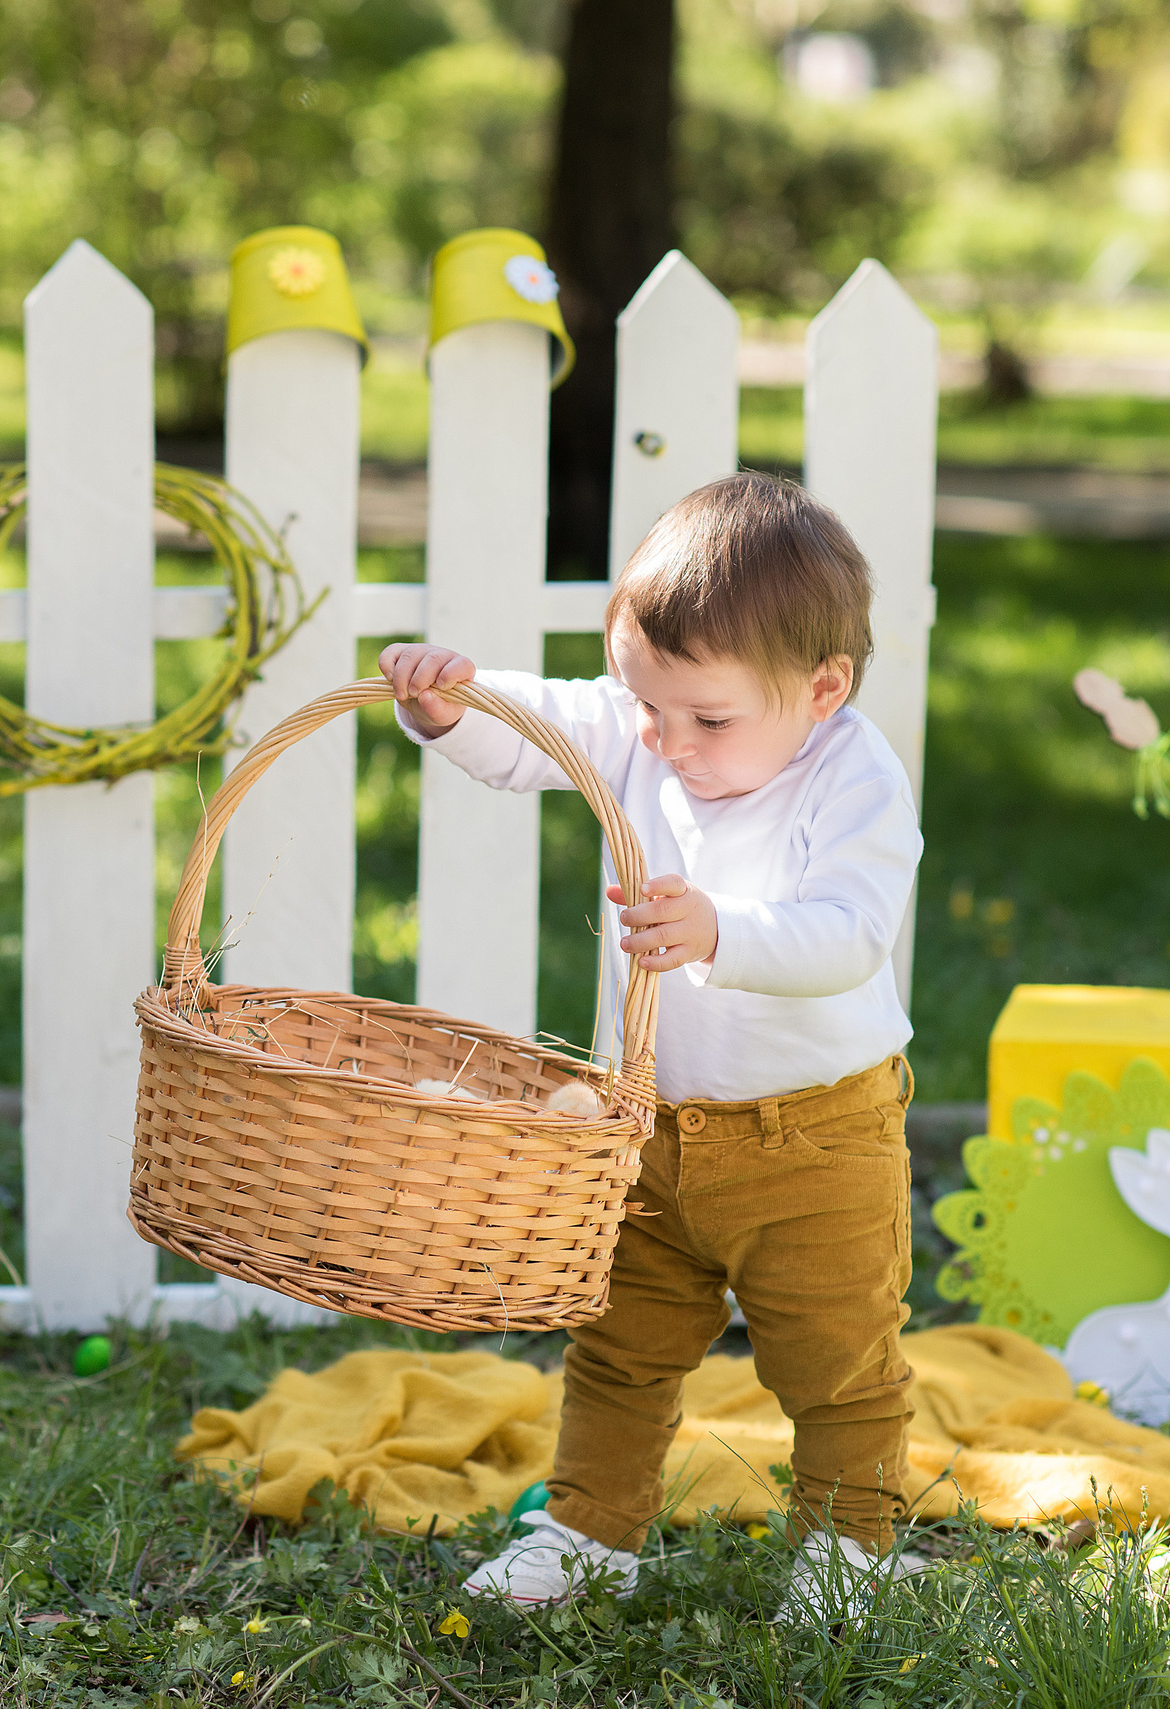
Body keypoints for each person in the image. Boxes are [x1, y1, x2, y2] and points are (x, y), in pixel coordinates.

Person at [379, 471, 922, 1625]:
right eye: (648, 708)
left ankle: (847, 1552)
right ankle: (586, 1534)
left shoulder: (857, 776)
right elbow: (539, 727)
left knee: (837, 1360)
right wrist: (444, 706)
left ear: (823, 688)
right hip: (651, 1132)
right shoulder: (649, 730)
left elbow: (851, 932)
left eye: (707, 719)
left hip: (816, 1138)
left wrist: (722, 929)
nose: (668, 744)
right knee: (617, 1346)